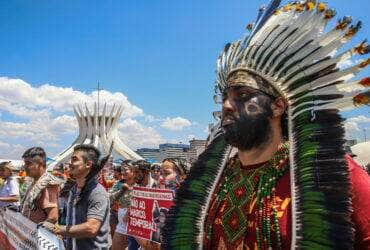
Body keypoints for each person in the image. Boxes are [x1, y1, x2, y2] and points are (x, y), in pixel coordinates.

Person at [162, 1, 370, 249]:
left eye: (243, 95)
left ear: (277, 106)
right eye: (225, 97)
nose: (227, 105)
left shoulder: (334, 173)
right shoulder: (211, 180)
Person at [42, 144, 111, 250]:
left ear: (88, 164)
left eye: (74, 159)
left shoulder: (97, 193)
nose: (69, 163)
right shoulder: (73, 190)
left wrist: (57, 229)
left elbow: (91, 228)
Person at [21, 147, 63, 224]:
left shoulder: (47, 184)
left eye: (28, 163)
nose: (25, 167)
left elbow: (53, 217)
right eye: (25, 163)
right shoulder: (34, 181)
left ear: (40, 164)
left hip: (36, 234)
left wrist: (35, 231)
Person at [111, 160, 135, 250]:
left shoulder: (140, 184)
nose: (123, 172)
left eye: (125, 170)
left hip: (134, 223)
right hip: (121, 223)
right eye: (121, 170)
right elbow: (109, 198)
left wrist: (129, 211)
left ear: (133, 170)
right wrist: (121, 190)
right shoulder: (119, 184)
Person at [109, 164, 124, 235]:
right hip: (114, 210)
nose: (113, 173)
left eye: (115, 171)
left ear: (119, 172)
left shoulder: (126, 183)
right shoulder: (116, 182)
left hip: (122, 211)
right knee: (113, 230)